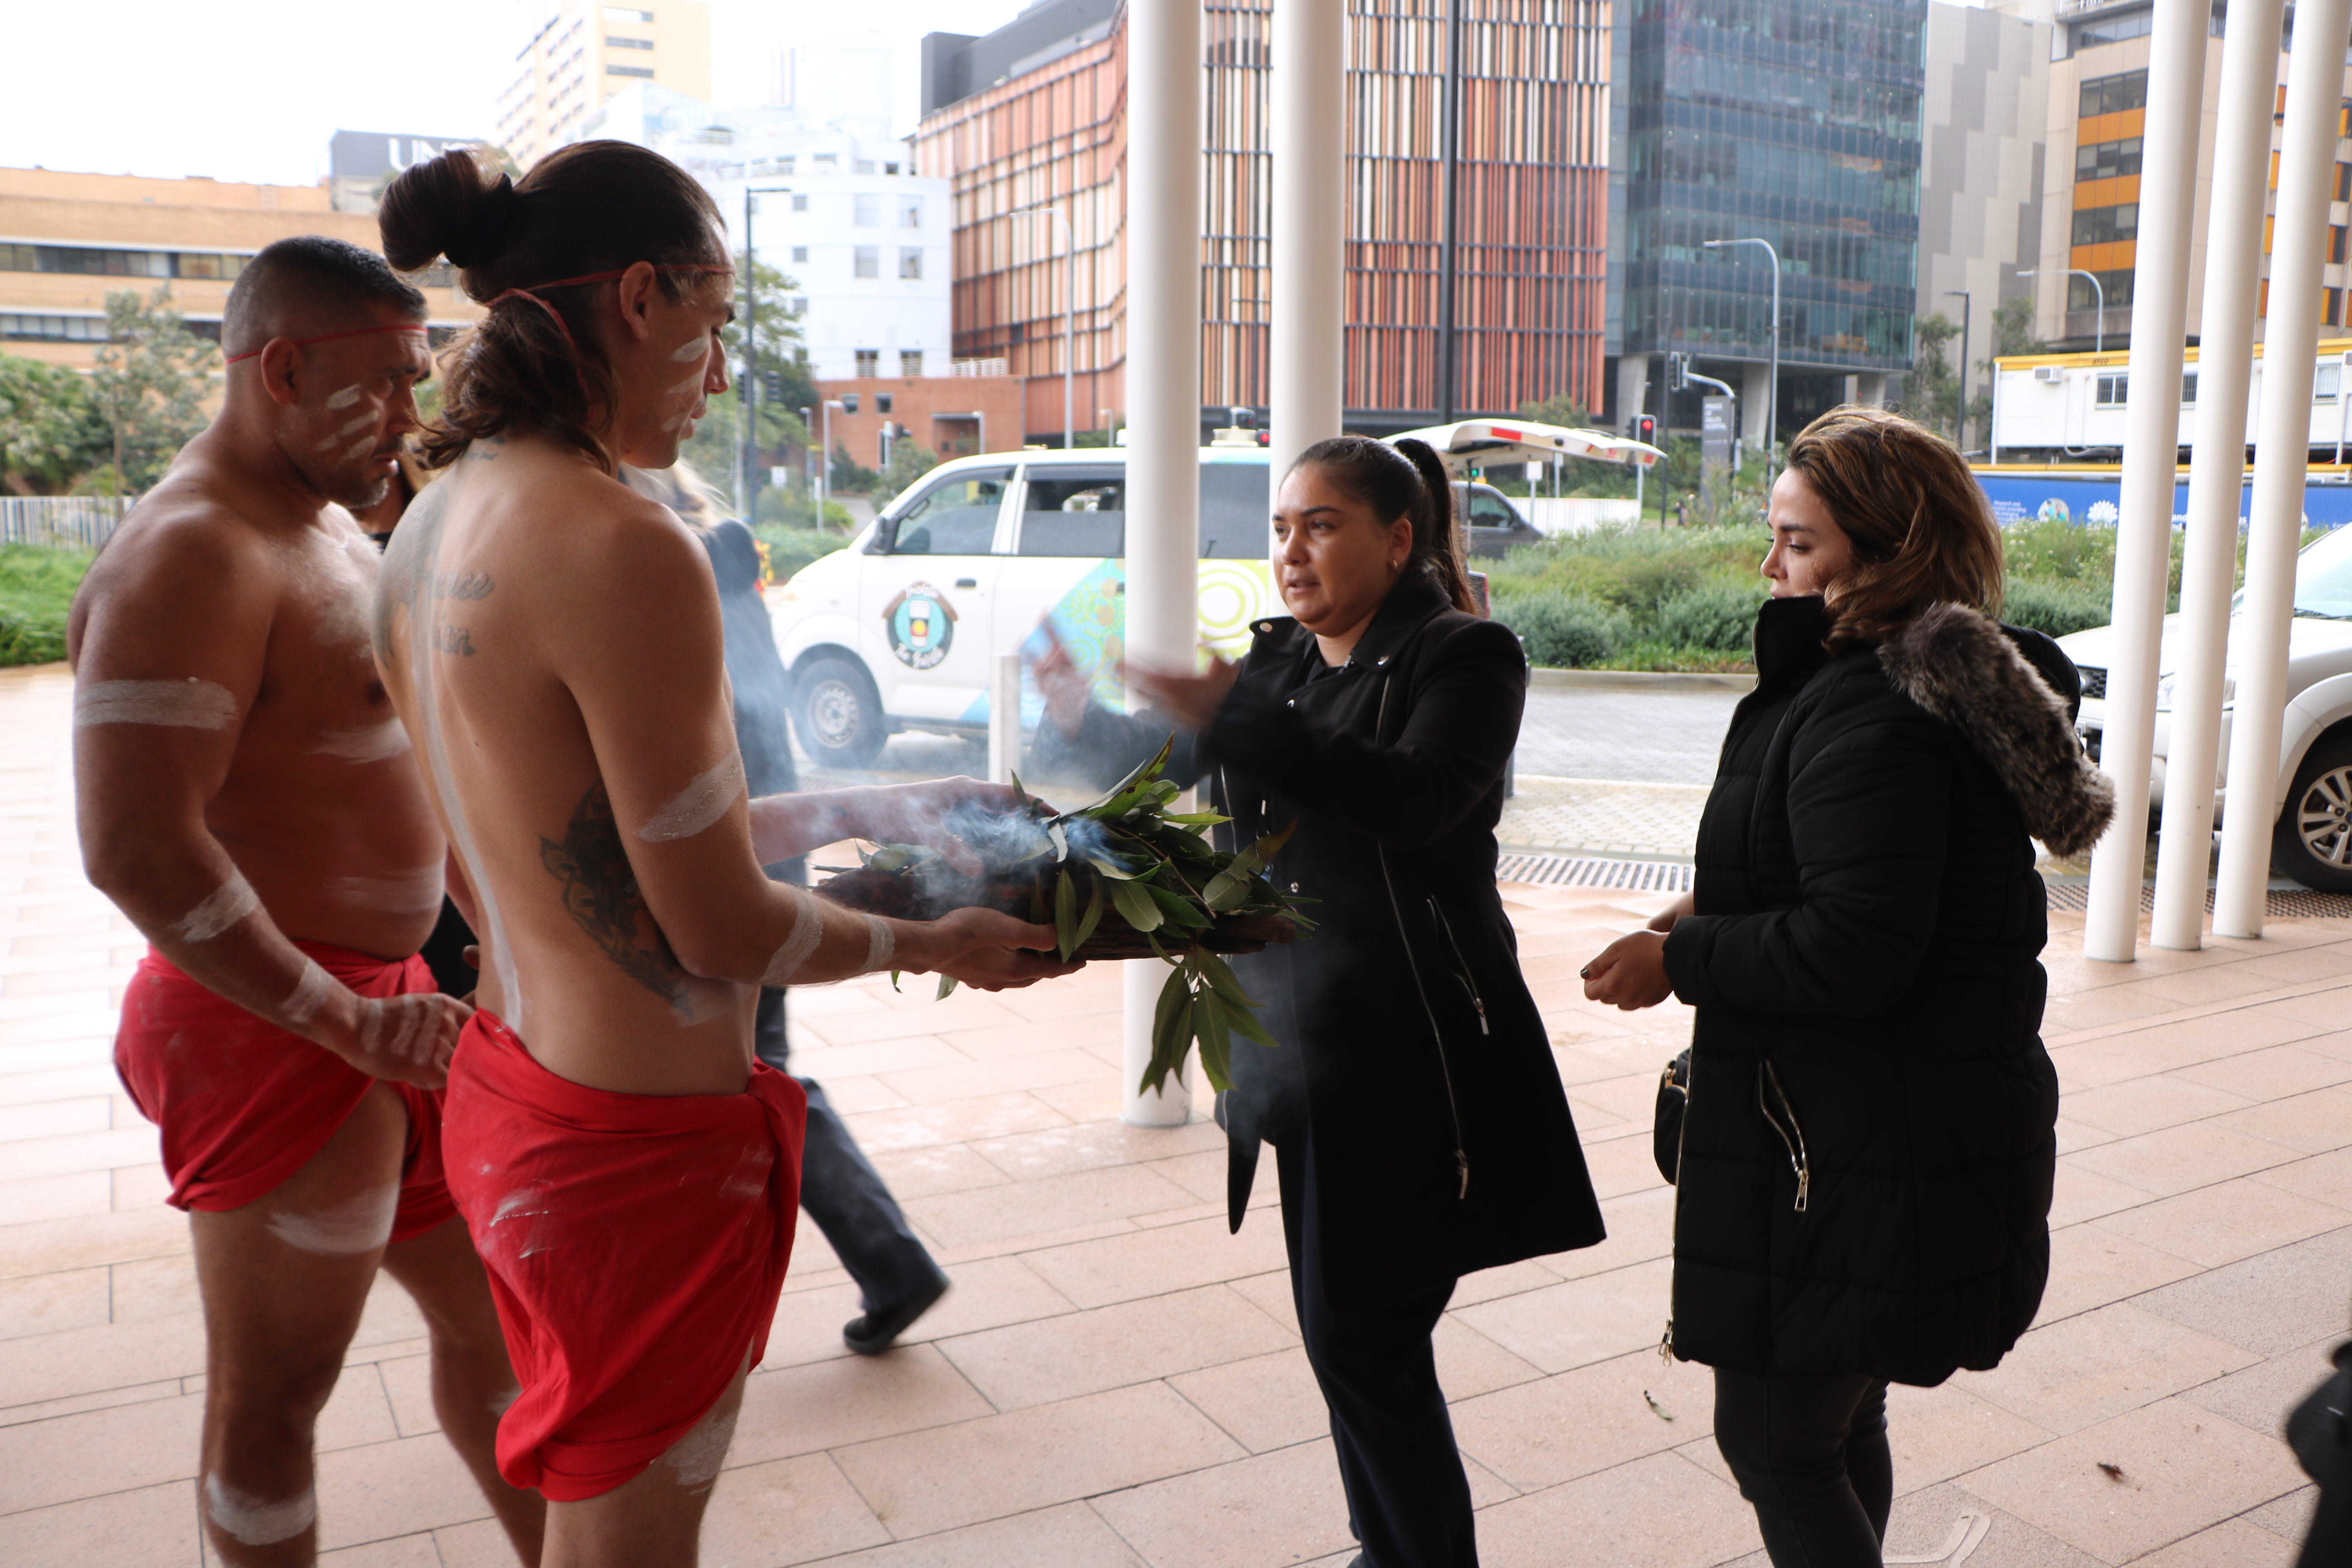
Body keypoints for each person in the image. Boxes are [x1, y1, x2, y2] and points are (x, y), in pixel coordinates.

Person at [371, 141, 1071, 1557]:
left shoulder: (427, 522)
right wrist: (935, 944)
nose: (720, 360)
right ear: (641, 296)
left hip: (513, 1094)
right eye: (717, 314)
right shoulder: (623, 542)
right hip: (630, 1159)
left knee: (592, 1511)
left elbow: (563, 853)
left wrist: (866, 806)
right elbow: (716, 933)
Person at [1032, 436, 1604, 1568]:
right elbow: (1159, 769)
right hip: (1296, 1046)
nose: (1293, 551)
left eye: (1323, 526)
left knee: (1364, 1335)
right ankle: (1389, 1544)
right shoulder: (1282, 660)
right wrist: (1076, 713)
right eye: (1284, 528)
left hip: (1411, 1044)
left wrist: (1236, 716)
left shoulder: (1467, 657)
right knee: (1346, 1332)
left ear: (1399, 540)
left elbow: (1413, 801)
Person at [67, 236, 544, 1566]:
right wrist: (336, 1018)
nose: (412, 413)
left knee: (502, 1335)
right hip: (274, 1032)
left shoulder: (331, 526)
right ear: (280, 368)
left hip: (391, 1023)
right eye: (388, 381)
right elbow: (136, 850)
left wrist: (506, 946)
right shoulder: (191, 555)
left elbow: (413, 770)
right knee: (277, 1400)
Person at [1580, 407, 2114, 1568]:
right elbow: (1832, 875)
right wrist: (1698, 910)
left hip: (1854, 1140)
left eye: (1799, 542)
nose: (1769, 565)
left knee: (1776, 1444)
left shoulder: (1875, 708)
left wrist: (1682, 961)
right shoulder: (1899, 686)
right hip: (1882, 1130)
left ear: (1890, 552)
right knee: (1835, 1414)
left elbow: (1857, 944)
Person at [622, 461, 951, 1353]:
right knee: (760, 1062)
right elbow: (763, 718)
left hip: (722, 847)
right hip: (773, 829)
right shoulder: (720, 544)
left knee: (750, 1069)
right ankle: (890, 1261)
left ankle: (885, 1262)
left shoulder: (637, 560)